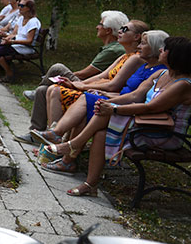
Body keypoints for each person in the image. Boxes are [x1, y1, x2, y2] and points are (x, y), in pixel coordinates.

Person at [40, 35, 191, 197]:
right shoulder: (161, 74)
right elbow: (134, 96)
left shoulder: (183, 84)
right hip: (144, 123)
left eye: (165, 49)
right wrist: (107, 99)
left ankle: (72, 144)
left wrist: (113, 109)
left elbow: (150, 107)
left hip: (164, 133)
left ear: (175, 55)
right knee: (100, 132)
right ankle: (90, 184)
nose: (161, 50)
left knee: (104, 113)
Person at [34, 29, 167, 149]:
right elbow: (102, 76)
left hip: (119, 103)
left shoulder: (138, 61)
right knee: (50, 89)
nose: (139, 46)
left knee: (59, 86)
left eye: (143, 43)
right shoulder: (136, 62)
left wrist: (81, 85)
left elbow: (121, 89)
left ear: (155, 47)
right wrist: (80, 85)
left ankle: (58, 142)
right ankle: (55, 139)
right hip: (109, 95)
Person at [20, 10, 131, 135]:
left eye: (100, 24)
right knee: (43, 90)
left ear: (108, 30)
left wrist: (73, 81)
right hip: (91, 85)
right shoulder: (118, 52)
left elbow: (85, 74)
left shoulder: (114, 50)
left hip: (95, 89)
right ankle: (36, 131)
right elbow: (100, 75)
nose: (97, 26)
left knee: (58, 68)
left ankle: (54, 134)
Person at [0, 0, 40, 82]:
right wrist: (7, 37)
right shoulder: (21, 19)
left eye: (22, 6)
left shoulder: (33, 22)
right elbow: (15, 34)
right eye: (19, 5)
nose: (19, 7)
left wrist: (12, 41)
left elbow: (29, 41)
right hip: (15, 43)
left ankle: (9, 73)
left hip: (24, 47)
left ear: (28, 8)